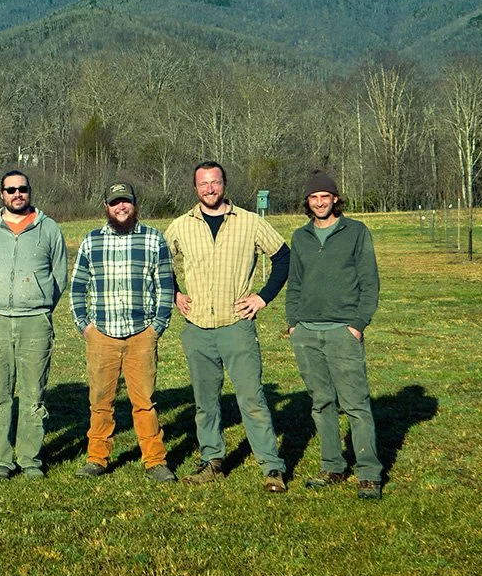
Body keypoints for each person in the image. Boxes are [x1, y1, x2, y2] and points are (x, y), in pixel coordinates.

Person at [164, 161, 291, 493]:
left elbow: (283, 257)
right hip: (197, 328)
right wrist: (175, 293)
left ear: (224, 184)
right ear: (195, 187)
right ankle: (212, 461)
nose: (210, 189)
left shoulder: (250, 222)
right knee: (205, 402)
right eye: (203, 184)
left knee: (252, 398)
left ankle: (272, 467)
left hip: (237, 325)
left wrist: (262, 297)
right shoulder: (180, 226)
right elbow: (160, 262)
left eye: (215, 182)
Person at [70, 180, 177, 483]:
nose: (121, 207)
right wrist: (85, 326)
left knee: (144, 402)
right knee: (100, 402)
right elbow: (77, 288)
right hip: (102, 334)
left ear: (135, 204)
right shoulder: (92, 241)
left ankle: (155, 460)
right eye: (115, 202)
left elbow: (165, 287)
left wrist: (156, 327)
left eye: (126, 201)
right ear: (106, 206)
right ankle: (97, 458)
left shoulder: (153, 239)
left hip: (141, 333)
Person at [286, 171, 383, 500]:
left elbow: (369, 282)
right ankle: (332, 467)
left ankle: (368, 473)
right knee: (321, 403)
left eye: (325, 196)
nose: (319, 202)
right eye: (314, 197)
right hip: (307, 332)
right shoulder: (300, 237)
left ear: (335, 198)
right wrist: (294, 323)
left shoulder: (355, 232)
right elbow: (295, 283)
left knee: (355, 404)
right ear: (307, 201)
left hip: (343, 331)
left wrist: (357, 324)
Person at [0, 170, 68, 481]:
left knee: (33, 394)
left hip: (35, 322)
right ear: (2, 194)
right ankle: (2, 460)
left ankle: (30, 460)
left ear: (29, 191)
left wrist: (40, 304)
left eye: (22, 189)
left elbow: (59, 274)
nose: (17, 194)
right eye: (10, 189)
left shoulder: (49, 229)